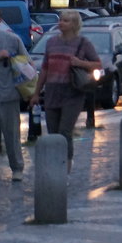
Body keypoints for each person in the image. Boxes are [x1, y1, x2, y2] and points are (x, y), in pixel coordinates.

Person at [28, 10, 100, 172]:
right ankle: (55, 165)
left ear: (74, 24)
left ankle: (66, 166)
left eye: (66, 21)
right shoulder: (51, 42)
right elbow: (45, 69)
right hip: (52, 91)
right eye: (61, 20)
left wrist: (80, 63)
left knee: (64, 132)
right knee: (53, 134)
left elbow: (97, 64)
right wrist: (36, 93)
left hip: (73, 93)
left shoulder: (83, 43)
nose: (61, 23)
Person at [0, 6, 26, 184]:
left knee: (11, 136)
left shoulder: (12, 40)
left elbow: (26, 64)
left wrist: (30, 92)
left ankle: (17, 168)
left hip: (8, 95)